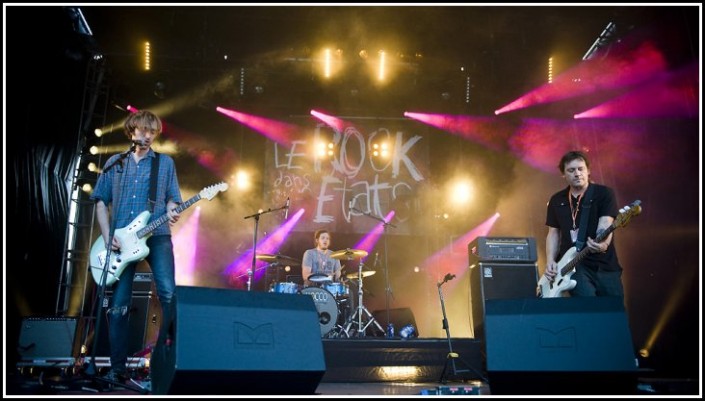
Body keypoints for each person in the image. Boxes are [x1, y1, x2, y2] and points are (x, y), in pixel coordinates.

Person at [90, 110, 182, 382]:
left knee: (168, 294)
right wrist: (108, 237)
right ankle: (117, 370)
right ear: (131, 131)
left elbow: (172, 199)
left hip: (158, 234)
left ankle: (169, 362)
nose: (148, 136)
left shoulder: (164, 163)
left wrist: (173, 209)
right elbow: (99, 202)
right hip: (120, 241)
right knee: (118, 306)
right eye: (143, 130)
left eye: (152, 132)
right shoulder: (115, 163)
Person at [543, 150, 624, 299]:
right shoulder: (556, 200)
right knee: (589, 311)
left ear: (588, 171)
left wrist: (604, 243)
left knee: (613, 314)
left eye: (581, 169)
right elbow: (553, 233)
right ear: (564, 174)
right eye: (571, 170)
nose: (577, 173)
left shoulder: (603, 193)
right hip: (575, 267)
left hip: (605, 266)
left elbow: (606, 223)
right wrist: (550, 261)